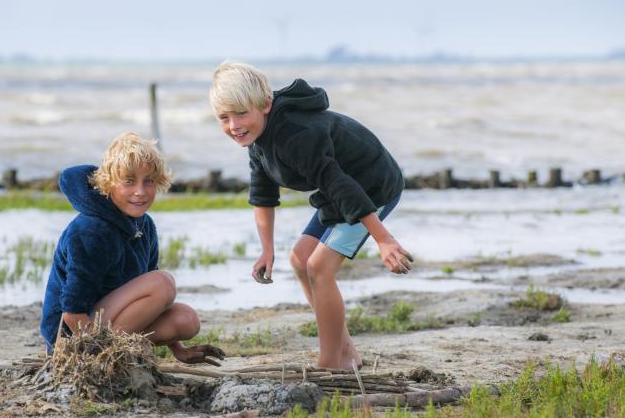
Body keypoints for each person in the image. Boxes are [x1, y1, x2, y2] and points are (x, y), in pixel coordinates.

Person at [210, 62, 413, 370]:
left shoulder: (296, 135)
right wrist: (267, 250)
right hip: (340, 190)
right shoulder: (257, 140)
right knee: (300, 259)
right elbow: (262, 195)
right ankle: (347, 355)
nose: (234, 125)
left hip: (372, 186)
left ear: (265, 104)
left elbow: (340, 183)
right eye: (224, 118)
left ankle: (329, 364)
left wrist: (383, 239)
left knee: (319, 267)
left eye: (241, 114)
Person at [39, 131, 225, 366]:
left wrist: (178, 349)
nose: (140, 191)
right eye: (129, 181)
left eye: (148, 181)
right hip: (71, 336)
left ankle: (115, 348)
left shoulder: (144, 225)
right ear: (108, 183)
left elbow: (151, 295)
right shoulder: (90, 230)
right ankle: (104, 356)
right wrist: (88, 351)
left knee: (186, 319)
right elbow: (72, 311)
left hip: (108, 320)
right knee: (162, 282)